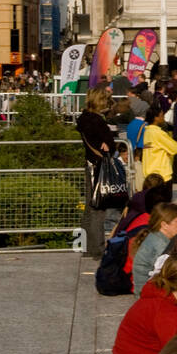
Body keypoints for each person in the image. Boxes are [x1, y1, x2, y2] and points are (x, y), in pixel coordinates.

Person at [76, 85, 118, 259]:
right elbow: (110, 143)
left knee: (89, 207)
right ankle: (98, 249)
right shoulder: (97, 121)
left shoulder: (83, 119)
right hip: (99, 165)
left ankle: (85, 246)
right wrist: (109, 143)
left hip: (89, 163)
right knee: (98, 208)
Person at [130, 202, 177, 295]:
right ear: (164, 225)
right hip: (149, 296)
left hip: (146, 292)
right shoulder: (161, 246)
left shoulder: (157, 237)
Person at [141, 104, 177, 184]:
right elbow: (174, 148)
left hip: (149, 173)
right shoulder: (158, 133)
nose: (163, 117)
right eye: (161, 115)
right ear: (156, 118)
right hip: (161, 174)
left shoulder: (147, 132)